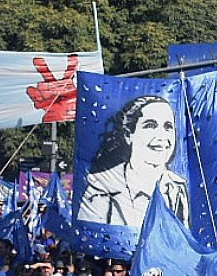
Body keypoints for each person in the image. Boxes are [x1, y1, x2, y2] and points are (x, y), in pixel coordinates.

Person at [78, 95, 188, 229]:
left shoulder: (178, 187)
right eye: (150, 125)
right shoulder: (101, 187)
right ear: (128, 134)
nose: (161, 136)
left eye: (168, 127)